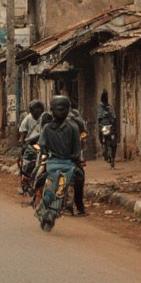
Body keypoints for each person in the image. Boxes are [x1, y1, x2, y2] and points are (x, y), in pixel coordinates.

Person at [35, 96, 82, 232]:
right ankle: (38, 201)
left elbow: (77, 148)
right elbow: (42, 145)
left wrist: (75, 159)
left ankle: (78, 206)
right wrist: (44, 155)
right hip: (51, 163)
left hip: (68, 164)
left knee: (73, 183)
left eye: (64, 110)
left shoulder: (73, 127)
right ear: (52, 110)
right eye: (58, 109)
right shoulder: (47, 128)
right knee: (39, 180)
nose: (61, 112)